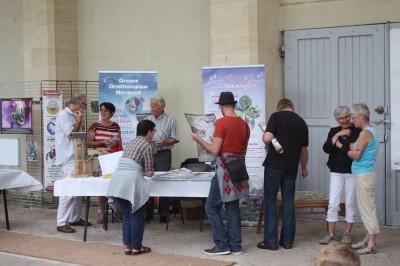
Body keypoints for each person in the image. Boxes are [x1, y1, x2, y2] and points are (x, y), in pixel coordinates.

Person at [191, 91, 249, 255]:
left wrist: (199, 140)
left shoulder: (222, 123)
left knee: (211, 207)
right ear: (234, 105)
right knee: (232, 207)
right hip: (238, 168)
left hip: (223, 169)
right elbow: (243, 149)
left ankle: (222, 245)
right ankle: (236, 246)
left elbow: (215, 151)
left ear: (222, 107)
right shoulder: (244, 124)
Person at [257, 98, 308, 250]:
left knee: (271, 203)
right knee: (288, 203)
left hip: (274, 166)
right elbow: (304, 152)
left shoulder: (276, 116)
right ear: (292, 107)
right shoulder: (302, 123)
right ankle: (287, 241)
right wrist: (304, 168)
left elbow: (267, 139)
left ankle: (270, 242)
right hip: (291, 168)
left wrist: (265, 135)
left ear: (280, 108)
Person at [105, 119, 155, 255]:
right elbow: (149, 170)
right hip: (131, 181)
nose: (154, 134)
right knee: (136, 213)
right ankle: (137, 247)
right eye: (154, 131)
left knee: (126, 214)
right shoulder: (147, 145)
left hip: (118, 180)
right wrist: (147, 171)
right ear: (149, 132)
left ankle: (128, 246)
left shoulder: (132, 141)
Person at [319, 106, 361, 245]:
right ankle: (330, 233)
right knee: (333, 203)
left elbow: (352, 149)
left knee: (350, 202)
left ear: (350, 116)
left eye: (346, 117)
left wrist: (338, 145)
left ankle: (347, 233)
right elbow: (326, 149)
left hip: (352, 171)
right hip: (336, 171)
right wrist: (337, 136)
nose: (344, 120)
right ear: (337, 119)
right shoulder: (333, 131)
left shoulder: (357, 130)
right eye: (340, 118)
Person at [54, 93, 91, 233]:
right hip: (69, 157)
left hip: (77, 155)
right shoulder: (64, 115)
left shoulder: (72, 115)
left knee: (78, 189)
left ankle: (74, 217)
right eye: (86, 104)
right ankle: (61, 222)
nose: (86, 107)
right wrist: (79, 121)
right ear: (80, 104)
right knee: (68, 190)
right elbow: (71, 135)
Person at [348, 103, 379, 255]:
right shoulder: (369, 131)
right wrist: (353, 147)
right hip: (365, 174)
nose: (352, 121)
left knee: (367, 210)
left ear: (361, 116)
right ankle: (367, 239)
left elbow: (356, 154)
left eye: (353, 117)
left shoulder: (365, 133)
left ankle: (371, 244)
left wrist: (349, 149)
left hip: (364, 175)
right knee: (366, 208)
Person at [145, 95, 179, 223]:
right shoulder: (148, 119)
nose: (151, 109)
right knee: (147, 180)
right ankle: (147, 213)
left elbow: (175, 138)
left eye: (153, 107)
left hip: (164, 153)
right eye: (151, 106)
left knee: (164, 180)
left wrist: (164, 142)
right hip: (148, 153)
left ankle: (164, 212)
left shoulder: (171, 120)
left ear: (161, 107)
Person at [87, 102, 122, 224]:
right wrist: (102, 142)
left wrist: (114, 143)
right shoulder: (95, 126)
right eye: (101, 110)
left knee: (115, 185)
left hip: (112, 158)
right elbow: (88, 143)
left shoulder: (116, 126)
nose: (103, 112)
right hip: (99, 158)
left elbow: (119, 141)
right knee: (100, 186)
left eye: (106, 110)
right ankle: (102, 214)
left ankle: (117, 212)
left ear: (112, 112)